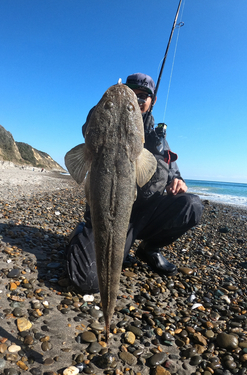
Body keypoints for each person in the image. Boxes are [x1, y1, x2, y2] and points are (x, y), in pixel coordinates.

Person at [66, 73, 204, 293]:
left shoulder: (157, 137)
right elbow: (88, 129)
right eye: (131, 95)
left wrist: (178, 180)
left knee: (192, 205)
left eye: (142, 97)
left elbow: (171, 170)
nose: (136, 101)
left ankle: (150, 249)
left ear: (152, 101)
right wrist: (108, 101)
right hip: (108, 214)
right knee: (89, 281)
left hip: (144, 214)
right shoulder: (101, 119)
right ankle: (83, 233)